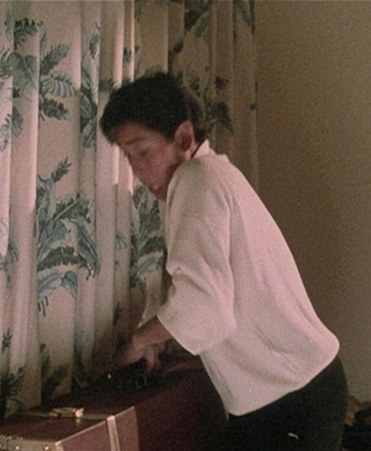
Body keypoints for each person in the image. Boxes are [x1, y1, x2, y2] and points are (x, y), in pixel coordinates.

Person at [99, 72, 348, 450]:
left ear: (184, 138)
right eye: (128, 157)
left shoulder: (196, 179)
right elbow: (217, 297)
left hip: (290, 395)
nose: (138, 170)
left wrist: (139, 341)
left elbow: (205, 305)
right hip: (293, 391)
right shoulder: (213, 175)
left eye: (144, 152)